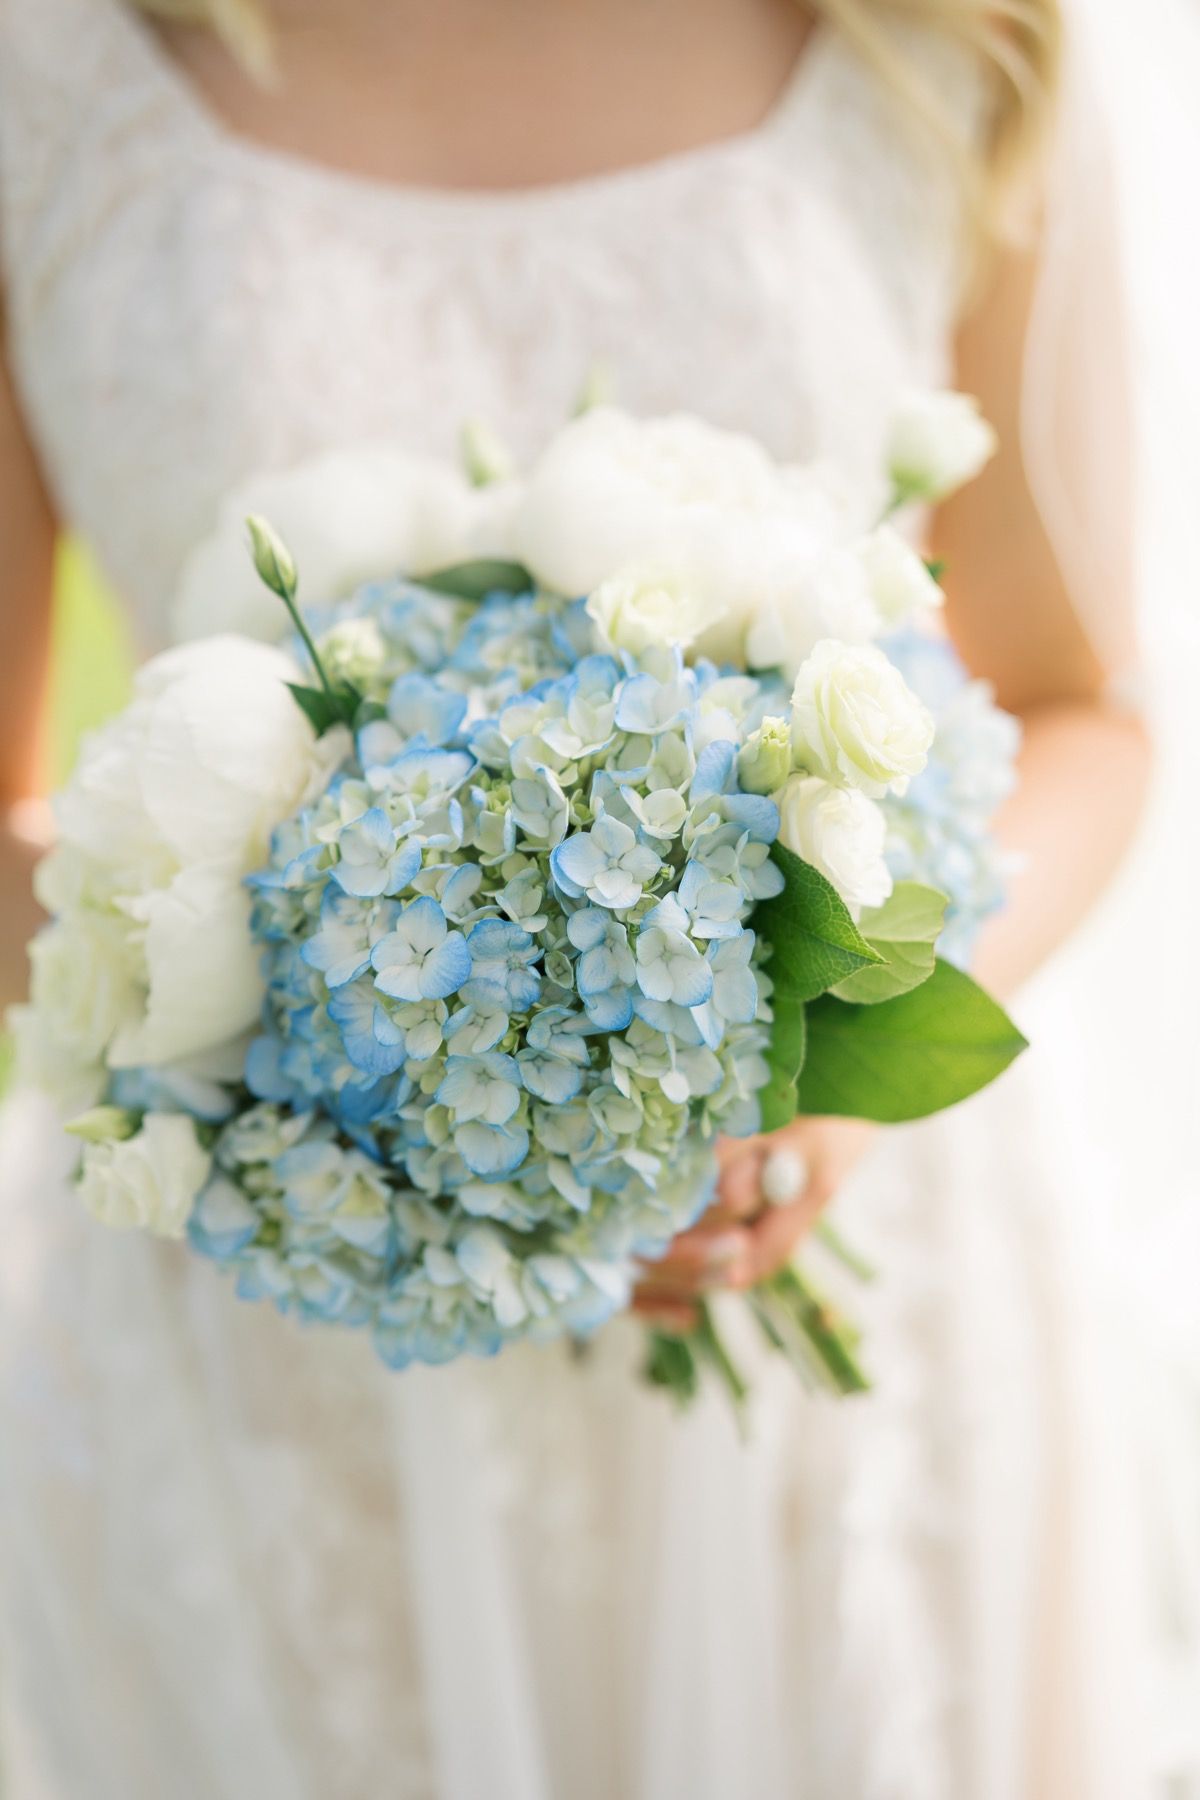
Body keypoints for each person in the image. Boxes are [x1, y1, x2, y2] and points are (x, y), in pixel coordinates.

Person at [0, 1, 1172, 1794]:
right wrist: (330, 1022)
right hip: (285, 1365)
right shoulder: (54, 77)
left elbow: (1078, 708)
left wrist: (832, 1077)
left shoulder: (946, 42)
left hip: (849, 1325)